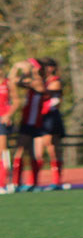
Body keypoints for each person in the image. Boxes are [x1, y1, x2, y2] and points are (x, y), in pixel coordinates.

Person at [8, 58, 46, 192]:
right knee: (24, 153)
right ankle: (20, 183)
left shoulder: (38, 82)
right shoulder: (31, 82)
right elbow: (12, 81)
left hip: (34, 124)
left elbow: (17, 80)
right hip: (27, 123)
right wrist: (15, 67)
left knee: (27, 153)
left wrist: (22, 69)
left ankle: (26, 183)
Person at [35, 57, 66, 190]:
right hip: (40, 117)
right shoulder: (42, 81)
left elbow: (52, 99)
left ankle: (56, 181)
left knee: (52, 148)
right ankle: (35, 182)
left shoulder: (54, 81)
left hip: (50, 117)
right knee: (38, 151)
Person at [0, 55, 21, 193]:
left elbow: (17, 101)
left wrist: (9, 114)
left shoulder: (7, 82)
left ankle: (4, 182)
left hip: (2, 119)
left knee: (2, 151)